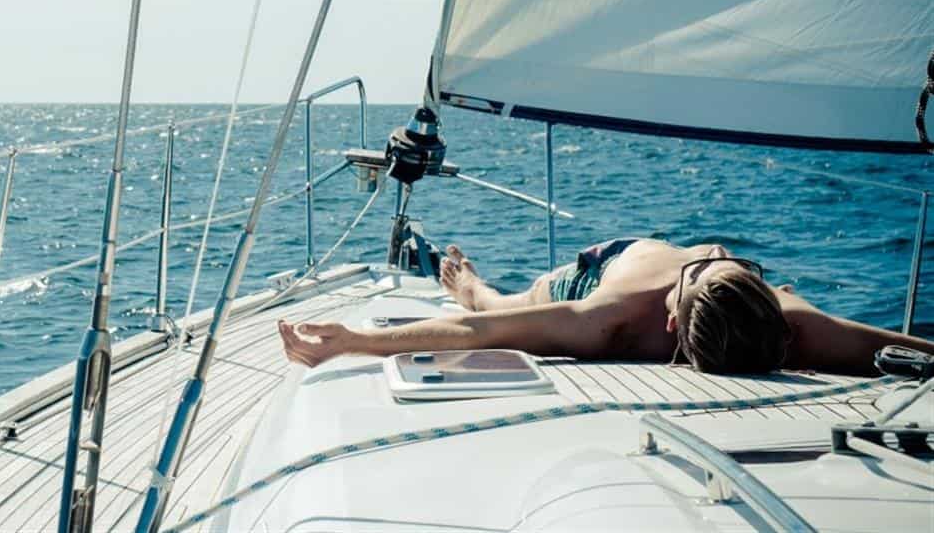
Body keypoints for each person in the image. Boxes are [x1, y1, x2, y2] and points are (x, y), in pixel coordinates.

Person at [278, 238, 934, 376]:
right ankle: (470, 273)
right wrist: (357, 340)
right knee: (507, 301)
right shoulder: (610, 316)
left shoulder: (788, 325)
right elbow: (474, 328)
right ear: (671, 318)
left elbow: (908, 351)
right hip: (601, 265)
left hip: (720, 283)